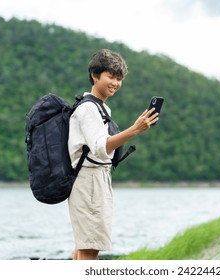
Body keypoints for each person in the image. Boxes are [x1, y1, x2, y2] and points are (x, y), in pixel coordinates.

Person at [68, 49, 159, 260]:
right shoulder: (89, 109)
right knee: (90, 246)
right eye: (111, 76)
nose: (116, 83)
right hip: (89, 180)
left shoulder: (101, 109)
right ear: (94, 75)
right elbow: (100, 146)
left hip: (94, 178)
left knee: (84, 244)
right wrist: (135, 129)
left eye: (119, 79)